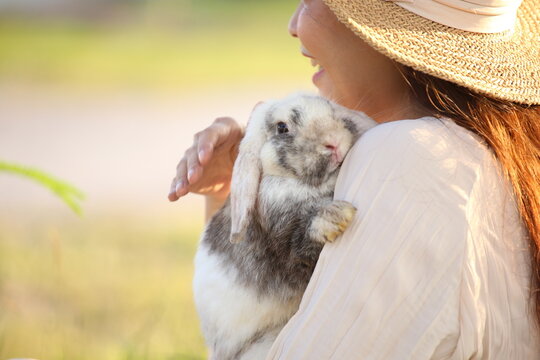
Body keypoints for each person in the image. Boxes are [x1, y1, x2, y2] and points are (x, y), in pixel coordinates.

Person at [169, 0, 540, 358]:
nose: (293, 24)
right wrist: (243, 204)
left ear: (380, 27)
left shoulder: (406, 159)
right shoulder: (497, 145)